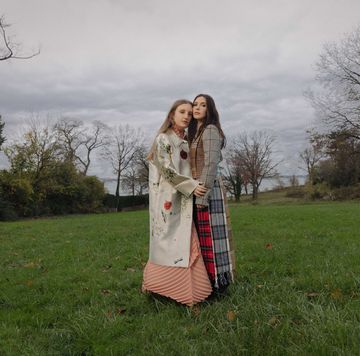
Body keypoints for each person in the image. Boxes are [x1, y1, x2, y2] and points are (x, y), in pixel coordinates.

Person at [142, 99, 212, 306]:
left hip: (183, 200)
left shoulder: (186, 142)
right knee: (166, 243)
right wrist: (191, 186)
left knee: (186, 242)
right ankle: (162, 287)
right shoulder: (164, 139)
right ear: (172, 115)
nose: (186, 116)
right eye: (182, 112)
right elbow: (167, 170)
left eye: (190, 113)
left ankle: (192, 291)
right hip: (166, 200)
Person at [188, 94, 235, 293]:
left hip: (209, 189)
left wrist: (203, 194)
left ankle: (220, 284)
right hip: (198, 188)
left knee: (214, 238)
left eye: (203, 105)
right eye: (195, 104)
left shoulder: (209, 130)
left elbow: (211, 164)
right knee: (203, 239)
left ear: (210, 109)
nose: (197, 108)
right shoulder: (196, 132)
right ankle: (207, 282)